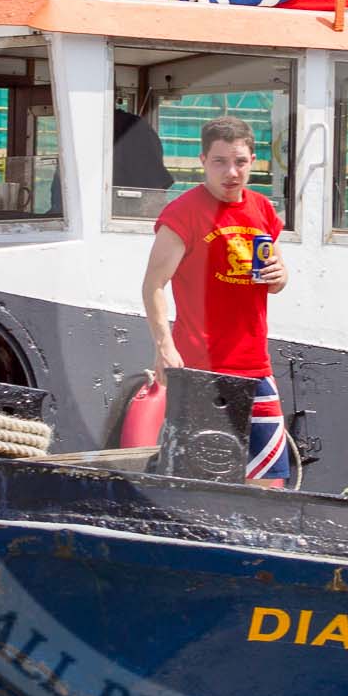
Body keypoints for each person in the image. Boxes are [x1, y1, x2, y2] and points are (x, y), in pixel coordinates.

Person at [141, 117, 290, 485]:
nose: (231, 172)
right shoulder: (182, 213)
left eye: (240, 161)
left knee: (269, 480)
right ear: (203, 160)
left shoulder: (262, 210)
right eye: (220, 162)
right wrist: (164, 348)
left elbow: (275, 277)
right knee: (194, 480)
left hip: (255, 364)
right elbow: (153, 285)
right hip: (201, 369)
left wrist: (281, 276)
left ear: (253, 160)